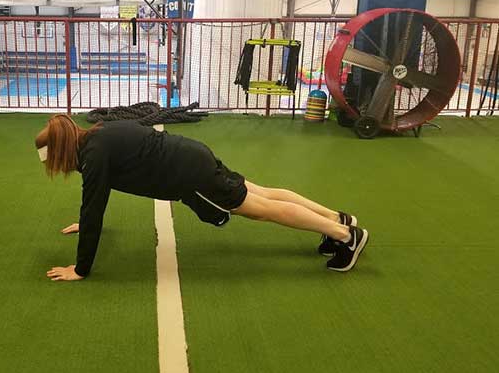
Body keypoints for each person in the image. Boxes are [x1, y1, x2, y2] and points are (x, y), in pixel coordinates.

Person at [37, 115, 369, 282]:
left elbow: (94, 203)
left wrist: (80, 269)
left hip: (189, 175)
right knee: (263, 192)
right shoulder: (97, 135)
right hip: (193, 153)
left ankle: (346, 236)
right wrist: (86, 220)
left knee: (260, 210)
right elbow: (95, 199)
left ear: (60, 152)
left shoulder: (93, 157)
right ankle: (338, 219)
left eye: (50, 163)